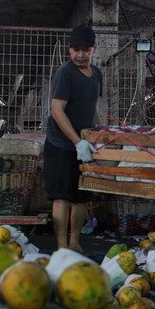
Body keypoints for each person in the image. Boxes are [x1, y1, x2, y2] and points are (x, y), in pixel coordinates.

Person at [44, 25, 101, 252]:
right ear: (69, 51)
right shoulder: (65, 74)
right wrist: (77, 142)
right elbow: (57, 110)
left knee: (81, 197)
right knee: (62, 196)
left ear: (93, 49)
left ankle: (75, 242)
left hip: (85, 144)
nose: (80, 54)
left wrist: (98, 132)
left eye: (85, 49)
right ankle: (61, 247)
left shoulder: (97, 74)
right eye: (76, 49)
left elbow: (94, 107)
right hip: (60, 145)